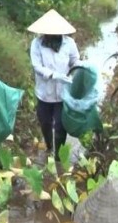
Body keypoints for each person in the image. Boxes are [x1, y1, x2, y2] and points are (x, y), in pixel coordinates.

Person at [27, 9, 81, 159]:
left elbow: (75, 60)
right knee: (45, 122)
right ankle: (49, 147)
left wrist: (78, 69)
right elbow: (37, 66)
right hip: (44, 93)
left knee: (60, 127)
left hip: (63, 93)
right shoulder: (37, 44)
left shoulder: (69, 43)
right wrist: (53, 75)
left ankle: (58, 157)